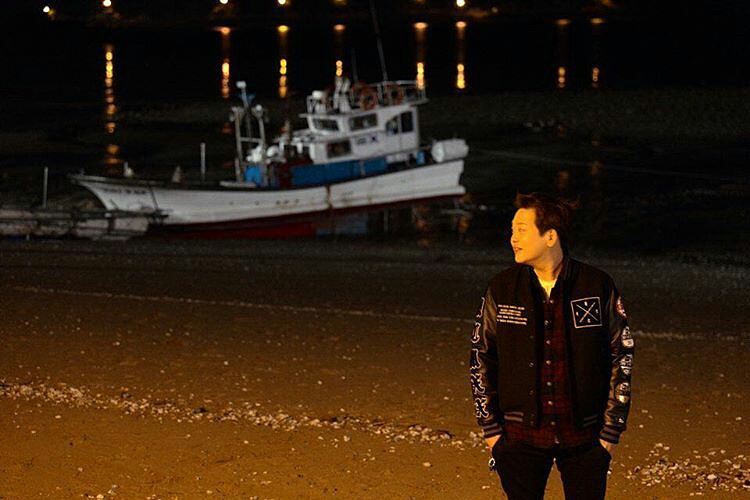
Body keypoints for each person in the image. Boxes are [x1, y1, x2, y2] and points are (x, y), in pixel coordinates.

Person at [470, 192, 633, 500]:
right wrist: (491, 431)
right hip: (519, 437)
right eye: (512, 230)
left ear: (550, 236)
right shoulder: (503, 288)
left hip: (586, 436)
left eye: (521, 230)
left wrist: (611, 432)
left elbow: (621, 354)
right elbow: (480, 357)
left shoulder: (596, 285)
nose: (512, 238)